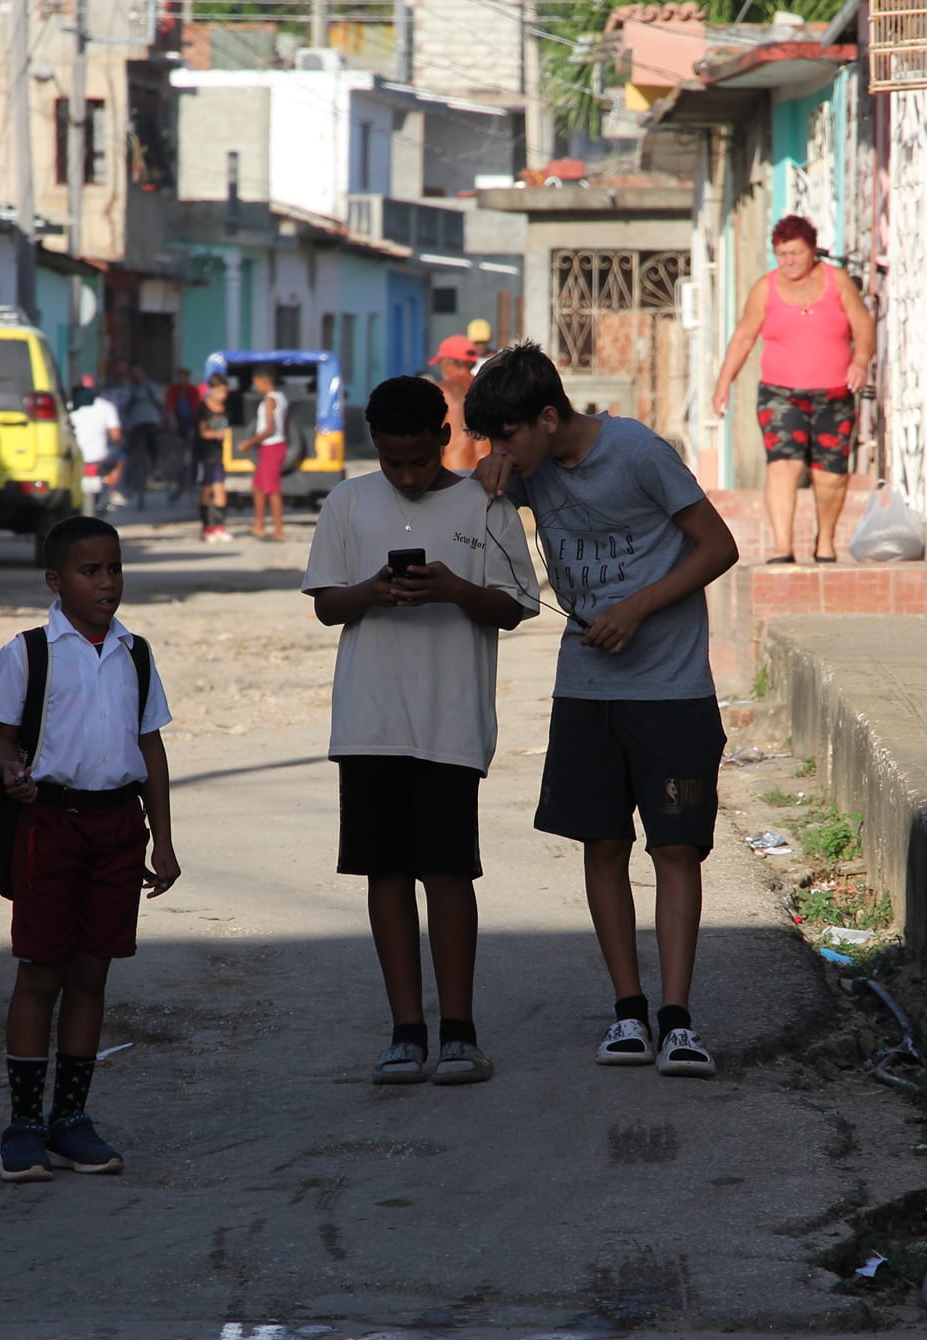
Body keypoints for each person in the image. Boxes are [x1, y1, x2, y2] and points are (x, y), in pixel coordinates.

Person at [467, 342, 740, 1079]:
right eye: (493, 439)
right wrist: (487, 468)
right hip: (587, 690)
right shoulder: (528, 470)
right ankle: (628, 1010)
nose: (503, 451)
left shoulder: (639, 452)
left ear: (549, 417)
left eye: (509, 436)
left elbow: (718, 547)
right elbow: (462, 501)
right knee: (603, 843)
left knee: (676, 849)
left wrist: (636, 608)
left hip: (672, 688)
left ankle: (677, 1019)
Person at [304, 375, 536, 1086]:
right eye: (391, 461)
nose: (405, 475)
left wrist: (454, 589)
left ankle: (459, 1032)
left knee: (448, 871)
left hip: (450, 720)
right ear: (373, 446)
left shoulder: (486, 503)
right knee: (385, 872)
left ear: (445, 437)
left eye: (419, 459)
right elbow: (326, 604)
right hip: (368, 723)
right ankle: (406, 1032)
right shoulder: (348, 501)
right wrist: (373, 591)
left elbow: (514, 607)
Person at [0, 515, 180, 1181]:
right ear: (54, 579)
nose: (106, 583)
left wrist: (164, 839)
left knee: (93, 972)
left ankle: (70, 1119)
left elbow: (150, 746)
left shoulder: (135, 652)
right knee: (42, 970)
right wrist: (11, 768)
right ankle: (23, 1124)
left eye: (114, 568)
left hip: (119, 826)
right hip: (51, 824)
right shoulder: (28, 653)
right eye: (89, 571)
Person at [710, 214, 876, 564]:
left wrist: (860, 362)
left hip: (834, 393)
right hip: (780, 395)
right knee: (783, 465)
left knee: (830, 475)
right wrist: (724, 382)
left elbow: (863, 325)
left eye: (796, 254)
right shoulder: (765, 289)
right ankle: (782, 548)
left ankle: (825, 543)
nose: (789, 262)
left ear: (813, 250)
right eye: (782, 254)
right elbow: (743, 337)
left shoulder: (837, 281)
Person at [236, 364, 288, 541]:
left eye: (256, 382)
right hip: (274, 446)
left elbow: (269, 429)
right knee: (258, 486)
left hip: (271, 446)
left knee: (272, 489)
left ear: (263, 381)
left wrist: (249, 443)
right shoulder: (281, 397)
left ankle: (279, 530)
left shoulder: (269, 400)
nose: (255, 386)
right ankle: (259, 524)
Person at [428, 334, 488, 474]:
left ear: (448, 361)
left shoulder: (441, 391)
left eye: (440, 362)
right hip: (488, 472)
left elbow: (431, 441)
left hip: (454, 474)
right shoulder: (490, 388)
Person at [70, 377, 125, 514]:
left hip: (76, 457)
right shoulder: (106, 407)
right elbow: (116, 437)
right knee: (121, 457)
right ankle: (111, 487)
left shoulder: (70, 406)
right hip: (99, 457)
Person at [193, 373, 232, 542]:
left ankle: (220, 525)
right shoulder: (203, 408)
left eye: (225, 392)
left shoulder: (226, 408)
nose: (222, 396)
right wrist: (217, 434)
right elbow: (202, 432)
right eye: (219, 392)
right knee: (207, 490)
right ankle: (206, 527)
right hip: (205, 454)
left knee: (220, 488)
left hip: (220, 455)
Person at [117, 364, 163, 504]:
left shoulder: (150, 387)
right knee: (130, 449)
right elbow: (123, 407)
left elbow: (159, 402)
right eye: (134, 373)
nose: (137, 375)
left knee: (153, 442)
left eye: (139, 372)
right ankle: (129, 477)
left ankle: (155, 466)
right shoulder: (127, 389)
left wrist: (163, 418)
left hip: (150, 420)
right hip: (135, 423)